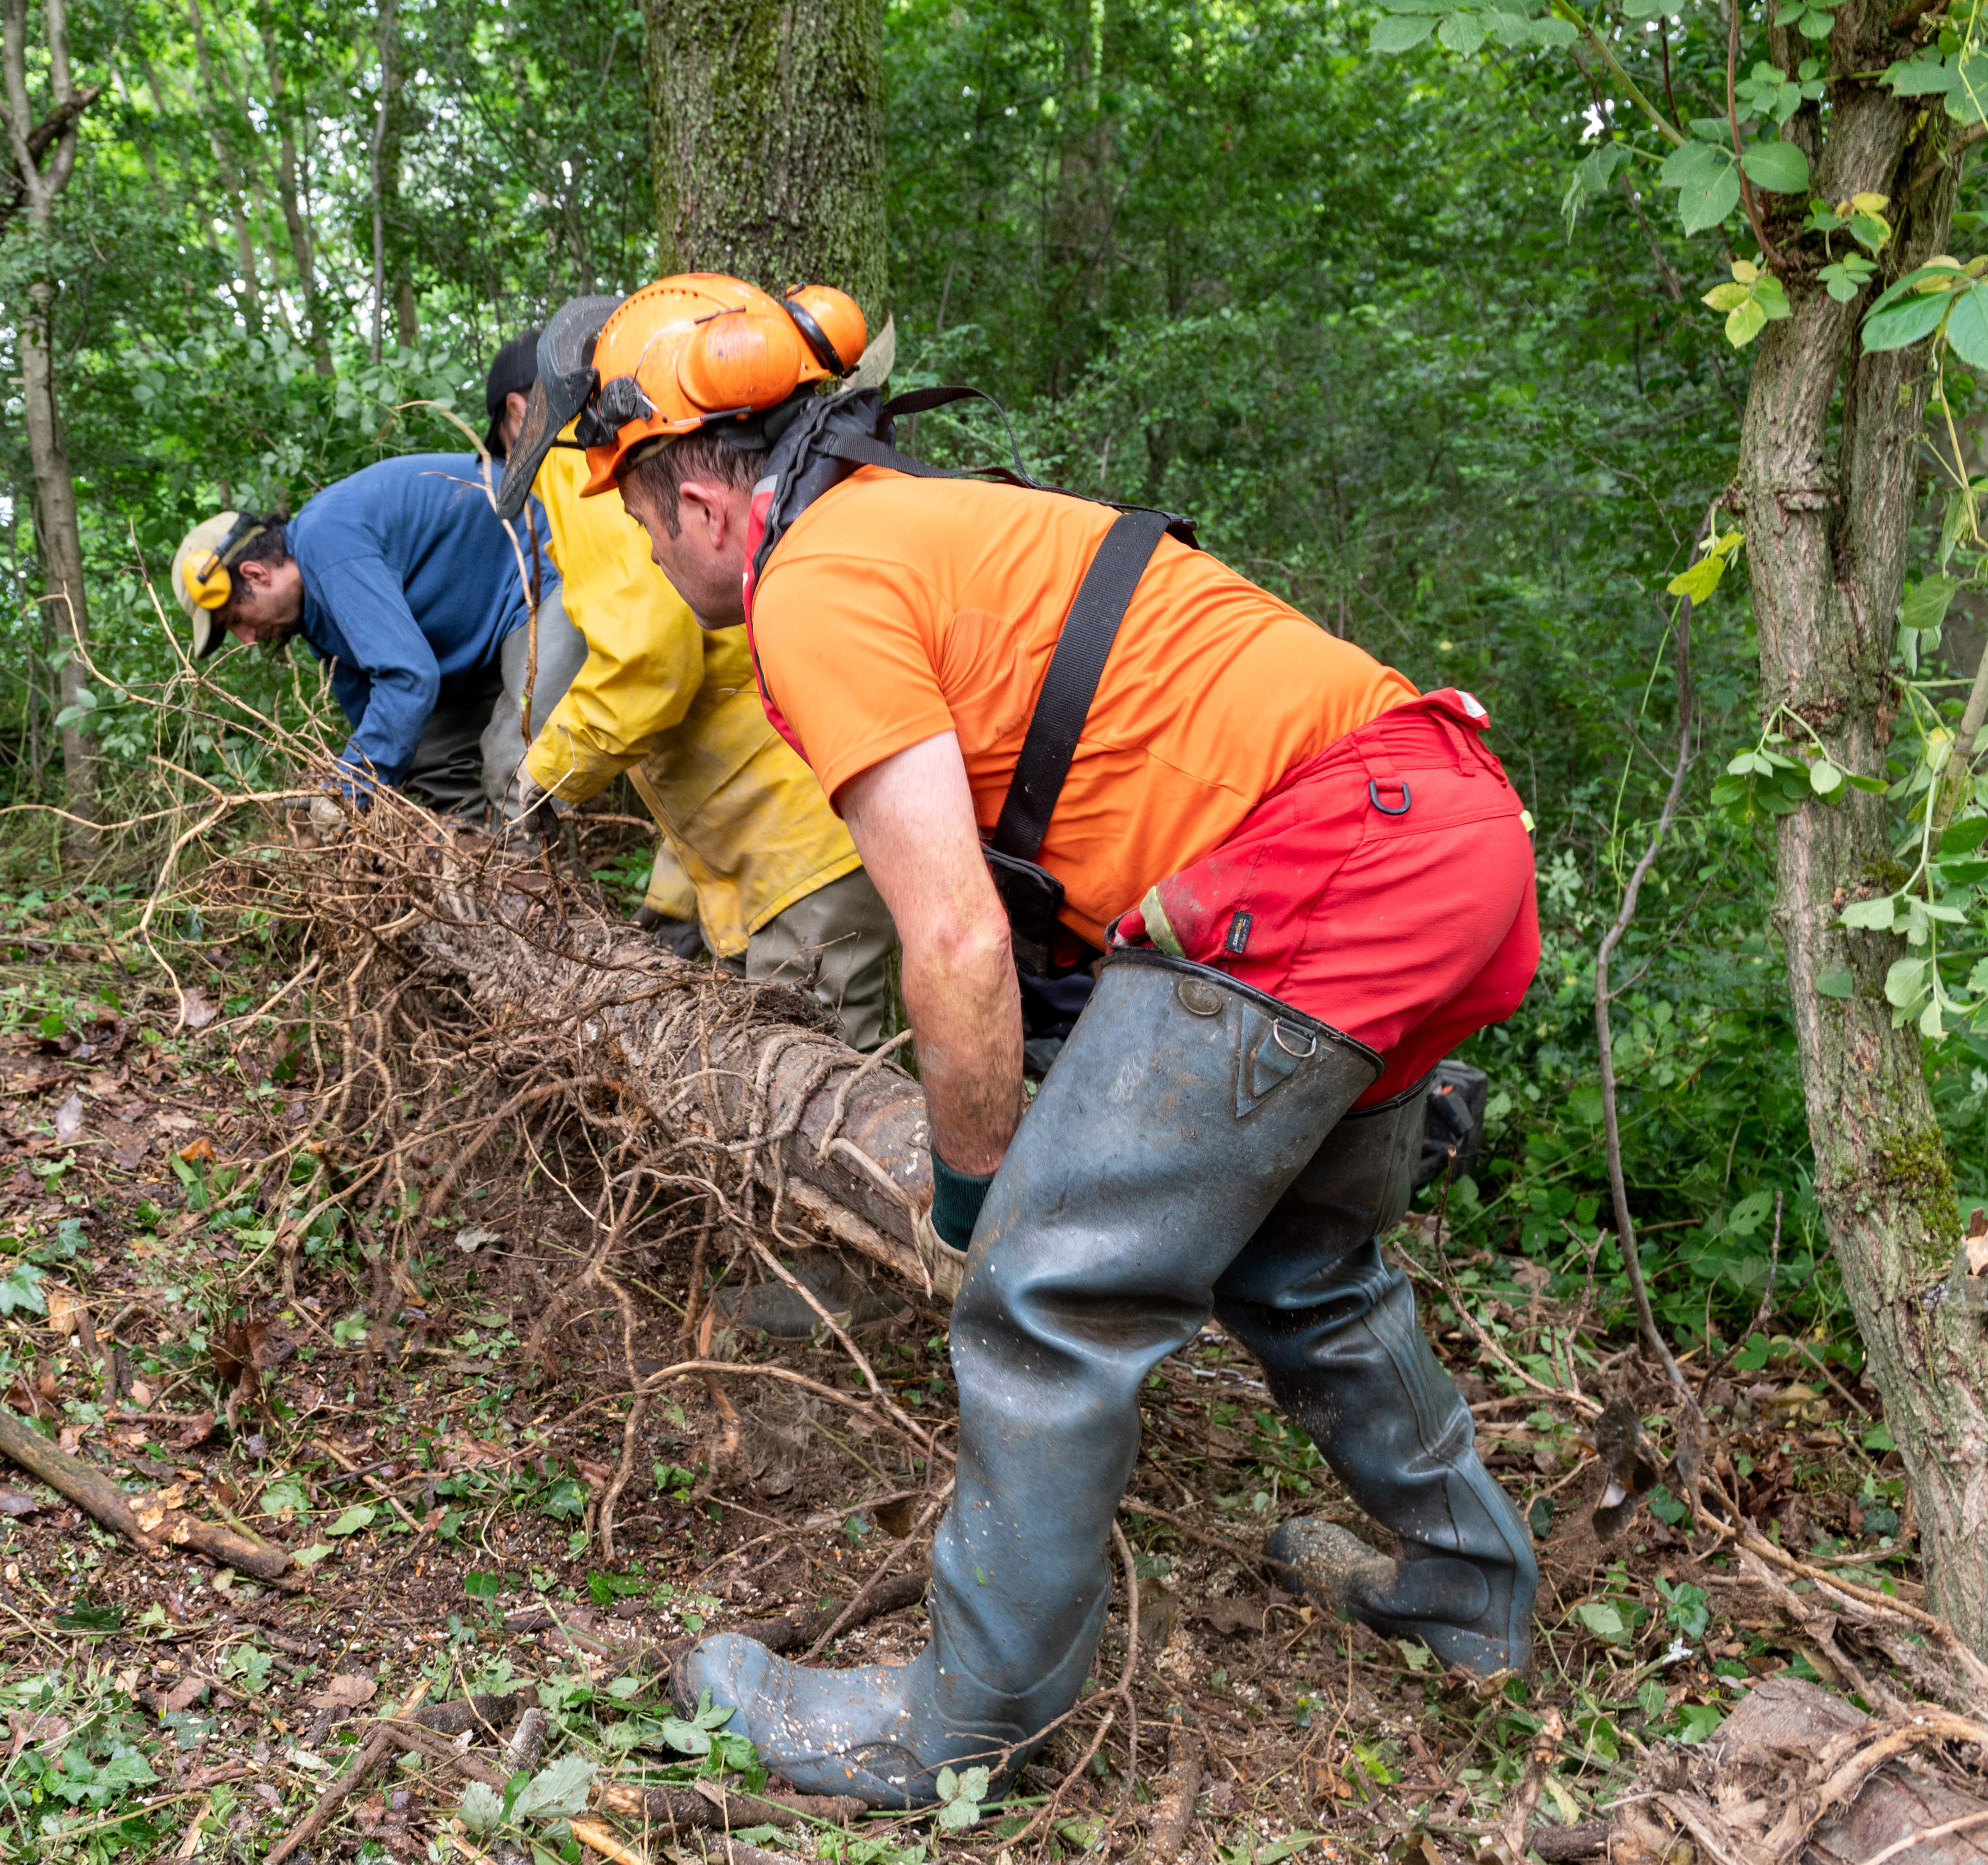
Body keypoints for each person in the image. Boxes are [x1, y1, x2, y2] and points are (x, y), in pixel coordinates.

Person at [496, 274, 1542, 1807]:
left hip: (1325, 872)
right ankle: (1470, 1587)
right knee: (1306, 1262)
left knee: (1045, 1298)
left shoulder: (816, 584)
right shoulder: (932, 524)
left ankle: (955, 1729)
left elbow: (956, 939)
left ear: (704, 493)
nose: (653, 552)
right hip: (1447, 826)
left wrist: (984, 1194)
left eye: (646, 521)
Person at [474, 328, 900, 1048]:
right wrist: (675, 902)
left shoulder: (580, 458)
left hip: (801, 852)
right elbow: (709, 684)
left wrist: (535, 782)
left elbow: (652, 660)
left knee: (815, 1114)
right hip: (797, 841)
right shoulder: (662, 443)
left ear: (523, 413)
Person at [171, 453, 551, 813]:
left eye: (235, 619)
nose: (248, 639)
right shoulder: (315, 618)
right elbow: (380, 733)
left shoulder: (326, 542)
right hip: (489, 628)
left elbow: (410, 676)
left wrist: (346, 787)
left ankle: (529, 878)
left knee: (515, 764)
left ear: (256, 574)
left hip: (548, 570)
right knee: (424, 759)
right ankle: (463, 864)